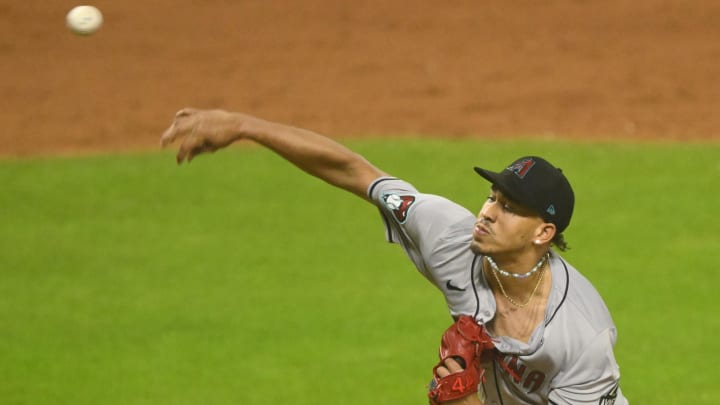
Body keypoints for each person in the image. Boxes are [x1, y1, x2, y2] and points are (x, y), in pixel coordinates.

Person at [160, 108, 628, 405]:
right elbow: (354, 171)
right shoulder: (449, 235)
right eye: (491, 197)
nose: (486, 212)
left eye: (508, 208)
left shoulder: (582, 335)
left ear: (543, 232)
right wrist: (245, 126)